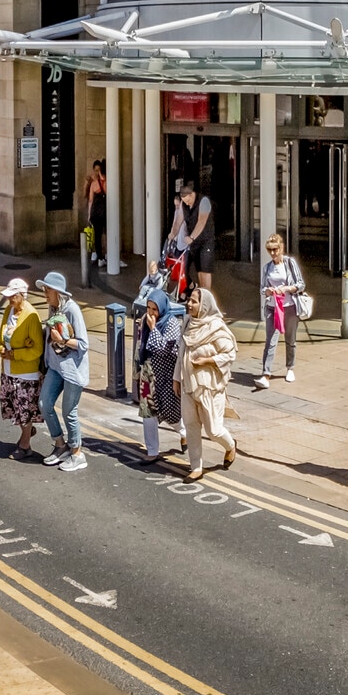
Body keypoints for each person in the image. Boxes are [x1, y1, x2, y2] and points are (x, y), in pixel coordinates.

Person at [176, 287, 238, 481]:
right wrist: (176, 379)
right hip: (188, 385)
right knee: (191, 426)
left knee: (213, 430)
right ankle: (196, 466)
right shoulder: (187, 322)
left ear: (204, 305)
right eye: (189, 300)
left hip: (209, 389)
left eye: (194, 301)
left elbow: (230, 353)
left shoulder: (216, 327)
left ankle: (230, 446)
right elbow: (181, 353)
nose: (189, 304)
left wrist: (207, 361)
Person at [36, 272, 89, 473]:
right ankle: (60, 445)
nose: (44, 293)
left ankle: (77, 454)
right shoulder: (53, 308)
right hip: (56, 367)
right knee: (44, 403)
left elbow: (84, 344)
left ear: (57, 291)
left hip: (73, 371)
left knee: (69, 412)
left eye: (47, 289)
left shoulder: (73, 310)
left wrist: (62, 341)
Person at [0, 278, 45, 460]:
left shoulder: (31, 316)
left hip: (26, 373)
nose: (9, 299)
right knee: (16, 409)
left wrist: (15, 354)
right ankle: (28, 430)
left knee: (24, 411)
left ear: (21, 295)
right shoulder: (9, 310)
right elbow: (2, 335)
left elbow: (37, 349)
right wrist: (1, 348)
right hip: (8, 370)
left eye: (12, 296)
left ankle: (25, 446)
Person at [135, 291, 183, 462]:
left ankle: (184, 433)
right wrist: (137, 370)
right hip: (148, 374)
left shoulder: (171, 323)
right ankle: (152, 451)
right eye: (148, 308)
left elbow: (164, 349)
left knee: (170, 412)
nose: (151, 313)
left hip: (166, 375)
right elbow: (141, 346)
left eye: (154, 309)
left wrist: (153, 328)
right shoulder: (144, 321)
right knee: (148, 412)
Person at [254, 231, 304, 389]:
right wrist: (268, 291)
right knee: (270, 341)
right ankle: (266, 373)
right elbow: (262, 288)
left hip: (289, 306)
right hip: (272, 307)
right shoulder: (267, 267)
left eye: (275, 249)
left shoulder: (290, 263)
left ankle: (290, 368)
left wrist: (288, 288)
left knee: (290, 339)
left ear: (281, 248)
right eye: (270, 250)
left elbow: (301, 284)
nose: (273, 253)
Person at [173, 181, 215, 293]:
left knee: (205, 271)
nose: (187, 204)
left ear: (192, 194)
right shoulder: (184, 204)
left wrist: (191, 237)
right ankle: (202, 295)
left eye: (188, 201)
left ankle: (207, 298)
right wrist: (173, 233)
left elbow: (201, 222)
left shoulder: (204, 201)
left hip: (205, 241)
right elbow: (179, 221)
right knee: (199, 271)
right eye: (184, 202)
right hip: (194, 244)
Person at [84, 161, 108, 270]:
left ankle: (100, 258)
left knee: (97, 236)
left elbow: (90, 201)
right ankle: (107, 255)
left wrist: (89, 215)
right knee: (107, 235)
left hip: (95, 214)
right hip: (106, 213)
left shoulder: (94, 184)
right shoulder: (108, 183)